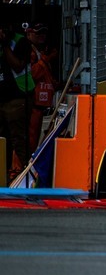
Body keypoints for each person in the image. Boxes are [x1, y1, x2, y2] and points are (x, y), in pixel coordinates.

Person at [0, 24, 33, 178]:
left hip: (16, 98)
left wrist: (5, 44)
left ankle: (28, 177)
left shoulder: (20, 42)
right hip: (1, 98)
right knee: (2, 140)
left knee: (19, 140)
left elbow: (18, 66)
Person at [25, 22, 59, 153]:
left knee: (34, 140)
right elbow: (32, 75)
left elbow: (46, 78)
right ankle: (18, 169)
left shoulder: (39, 52)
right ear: (29, 34)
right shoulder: (30, 52)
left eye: (44, 33)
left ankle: (26, 166)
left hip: (40, 105)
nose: (42, 36)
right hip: (32, 103)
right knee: (29, 139)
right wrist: (46, 59)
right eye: (38, 33)